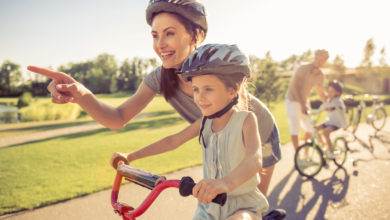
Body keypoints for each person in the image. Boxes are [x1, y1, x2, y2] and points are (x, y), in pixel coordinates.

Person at [26, 0, 280, 196]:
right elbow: (118, 118)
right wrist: (80, 94)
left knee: (247, 205)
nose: (160, 44)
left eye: (169, 33)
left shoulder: (216, 67)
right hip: (217, 139)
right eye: (155, 35)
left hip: (257, 138)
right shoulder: (161, 77)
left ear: (196, 36)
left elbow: (240, 122)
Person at [112, 44, 269, 220]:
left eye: (208, 89)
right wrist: (130, 156)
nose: (200, 97)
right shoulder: (204, 123)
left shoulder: (246, 120)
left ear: (232, 91)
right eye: (196, 89)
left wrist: (225, 184)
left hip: (243, 206)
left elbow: (254, 159)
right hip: (208, 208)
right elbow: (172, 141)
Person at [285, 49, 329, 150]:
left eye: (324, 59)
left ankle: (305, 153)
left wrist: (330, 102)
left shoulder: (321, 75)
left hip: (304, 101)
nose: (321, 61)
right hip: (293, 100)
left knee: (310, 128)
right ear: (315, 57)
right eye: (319, 58)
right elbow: (295, 87)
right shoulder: (303, 68)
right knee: (295, 129)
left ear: (325, 61)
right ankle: (298, 155)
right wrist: (302, 104)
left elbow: (321, 93)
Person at [312, 80, 347, 158]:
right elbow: (319, 109)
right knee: (315, 129)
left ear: (337, 93)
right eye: (328, 91)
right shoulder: (327, 101)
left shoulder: (337, 101)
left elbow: (340, 107)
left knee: (325, 132)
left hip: (337, 123)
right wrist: (310, 112)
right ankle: (324, 145)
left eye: (332, 91)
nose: (329, 93)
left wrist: (334, 108)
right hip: (329, 122)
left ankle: (331, 153)